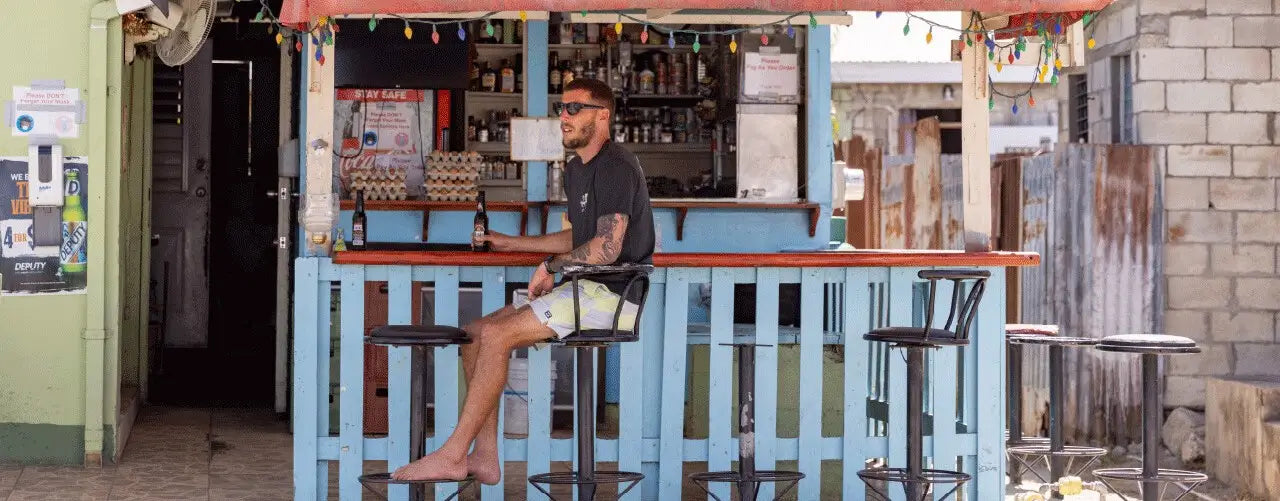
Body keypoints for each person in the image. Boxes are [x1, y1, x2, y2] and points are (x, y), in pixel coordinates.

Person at [391, 78, 655, 484]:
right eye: (561, 108)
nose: (563, 117)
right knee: (477, 333)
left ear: (602, 115)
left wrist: (550, 267)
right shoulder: (576, 169)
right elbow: (580, 236)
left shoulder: (616, 164)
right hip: (584, 288)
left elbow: (606, 247)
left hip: (611, 294)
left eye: (574, 108)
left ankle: (451, 453)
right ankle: (485, 457)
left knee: (497, 336)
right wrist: (512, 243)